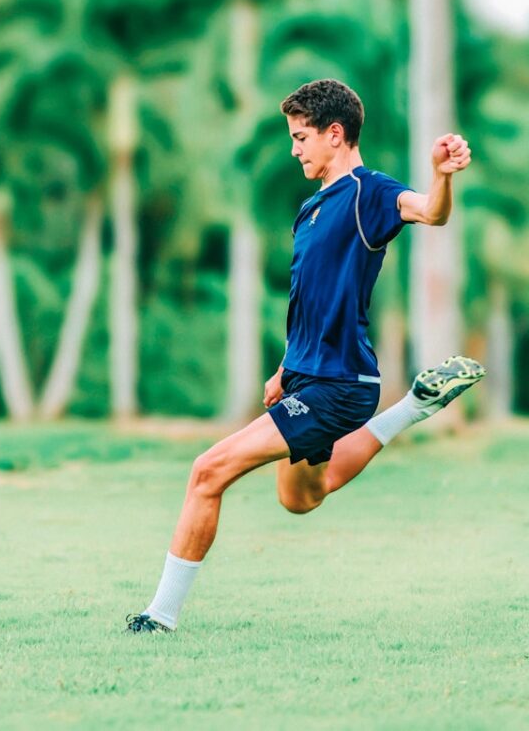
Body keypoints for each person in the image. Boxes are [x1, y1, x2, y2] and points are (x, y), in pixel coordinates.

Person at [126, 78, 485, 634]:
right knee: (301, 498)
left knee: (207, 471)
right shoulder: (311, 209)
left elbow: (430, 213)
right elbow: (309, 302)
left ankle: (159, 617)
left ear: (334, 134)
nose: (294, 150)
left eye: (301, 137)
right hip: (306, 378)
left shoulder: (370, 193)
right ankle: (413, 406)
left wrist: (441, 176)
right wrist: (283, 370)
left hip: (339, 384)